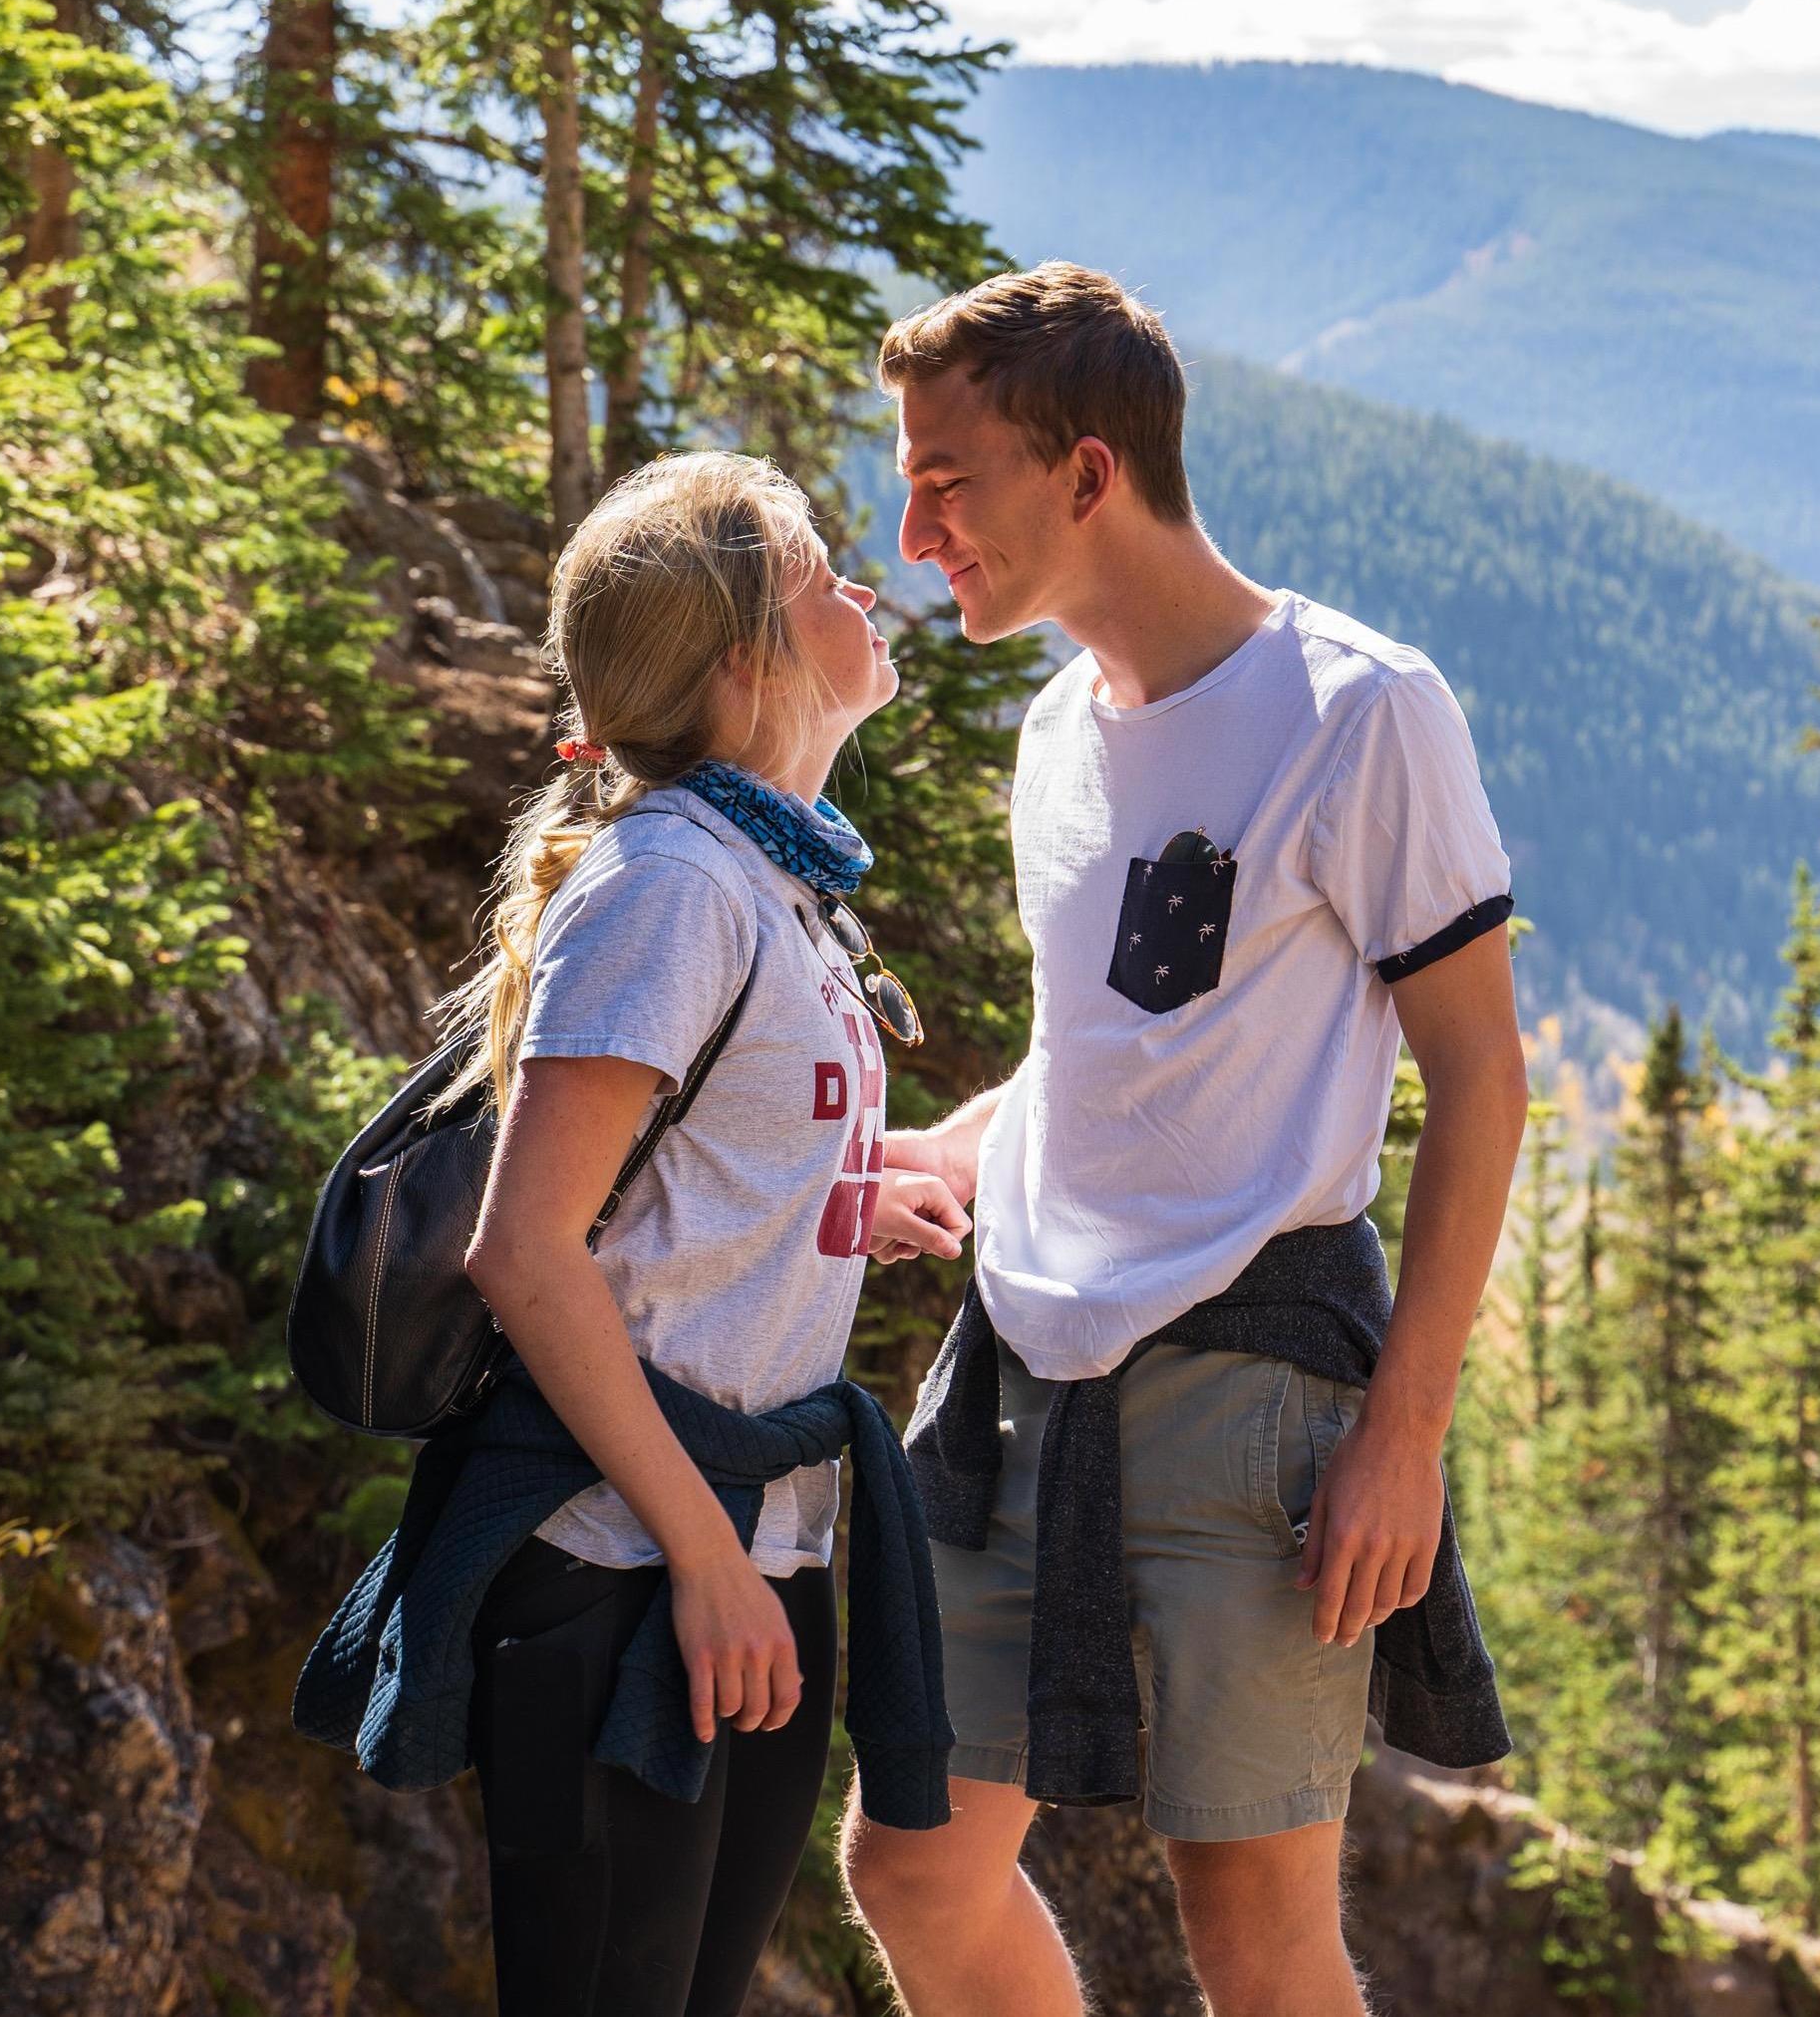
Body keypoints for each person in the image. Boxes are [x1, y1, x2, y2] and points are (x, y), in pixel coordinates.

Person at [837, 267, 1532, 2017]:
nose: (917, 532)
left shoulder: (1360, 711)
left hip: (1258, 1393)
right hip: (1020, 1382)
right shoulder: (1057, 732)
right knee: (912, 1865)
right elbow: (1103, 1057)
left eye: (948, 481)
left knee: (1254, 1932)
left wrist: (1406, 1435)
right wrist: (942, 1145)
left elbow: (1482, 1077)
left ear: (1086, 474)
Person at [303, 449, 968, 2017]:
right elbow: (523, 1251)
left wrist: (834, 1210)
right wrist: (703, 1560)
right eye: (822, 579)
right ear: (749, 667)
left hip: (742, 1545)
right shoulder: (672, 884)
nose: (862, 589)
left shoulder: (771, 879)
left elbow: (662, 1199)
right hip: (628, 1560)